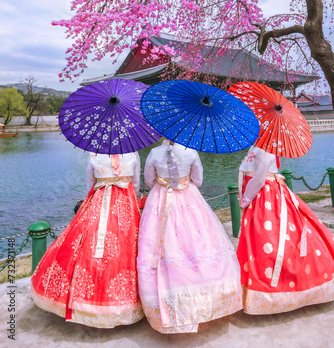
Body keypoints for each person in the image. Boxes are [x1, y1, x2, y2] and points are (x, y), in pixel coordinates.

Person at [137, 140, 242, 334]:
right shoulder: (191, 152)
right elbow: (199, 180)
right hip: (188, 196)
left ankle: (164, 302)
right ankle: (205, 296)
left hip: (160, 198)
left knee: (158, 242)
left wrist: (164, 182)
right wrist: (182, 181)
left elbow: (149, 181)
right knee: (198, 240)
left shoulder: (154, 152)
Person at [31, 152, 144, 328]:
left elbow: (91, 183)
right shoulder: (132, 153)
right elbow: (135, 184)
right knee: (126, 250)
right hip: (124, 204)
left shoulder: (94, 155)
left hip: (98, 203)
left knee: (85, 246)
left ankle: (85, 301)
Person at [237, 145, 334, 314]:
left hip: (264, 195)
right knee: (275, 236)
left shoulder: (262, 149)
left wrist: (245, 199)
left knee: (269, 239)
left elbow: (259, 179)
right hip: (270, 192)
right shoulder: (266, 146)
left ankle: (275, 290)